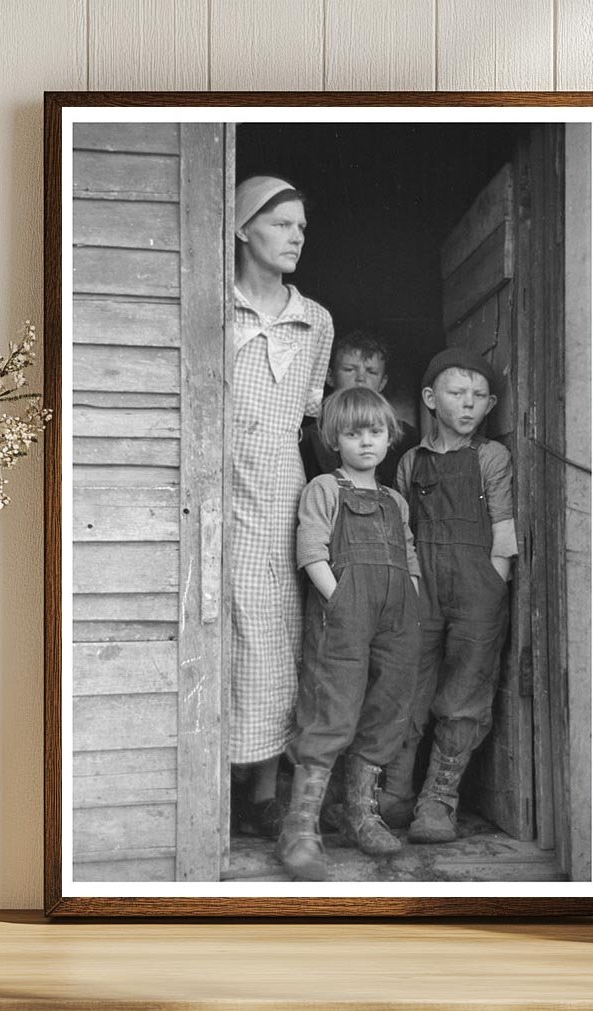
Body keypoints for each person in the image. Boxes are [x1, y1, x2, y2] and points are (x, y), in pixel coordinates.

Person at [277, 387, 421, 881]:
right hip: (344, 614)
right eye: (353, 433)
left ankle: (361, 811)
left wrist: (414, 594)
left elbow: (408, 552)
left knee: (386, 708)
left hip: (398, 616)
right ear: (334, 439)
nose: (366, 442)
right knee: (332, 709)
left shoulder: (395, 500)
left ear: (389, 438)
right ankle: (300, 827)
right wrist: (338, 598)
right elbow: (311, 549)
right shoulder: (323, 487)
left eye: (375, 432)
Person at [378, 347, 518, 843]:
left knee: (464, 692)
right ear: (430, 398)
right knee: (409, 686)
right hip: (422, 587)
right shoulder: (410, 462)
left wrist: (494, 580)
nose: (468, 405)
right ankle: (393, 793)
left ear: (491, 403)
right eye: (457, 394)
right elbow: (401, 531)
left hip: (476, 586)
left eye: (479, 397)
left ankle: (438, 801)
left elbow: (504, 528)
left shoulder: (491, 456)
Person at [230, 175, 335, 837]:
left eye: (301, 225)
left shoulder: (316, 319)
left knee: (278, 626)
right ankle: (215, 781)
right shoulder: (213, 305)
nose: (296, 236)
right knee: (224, 625)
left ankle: (266, 790)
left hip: (279, 482)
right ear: (243, 230)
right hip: (218, 480)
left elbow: (309, 415)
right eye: (279, 224)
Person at [299, 329, 419, 490]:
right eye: (349, 369)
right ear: (329, 376)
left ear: (383, 382)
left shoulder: (405, 437)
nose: (360, 379)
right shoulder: (305, 437)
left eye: (371, 372)